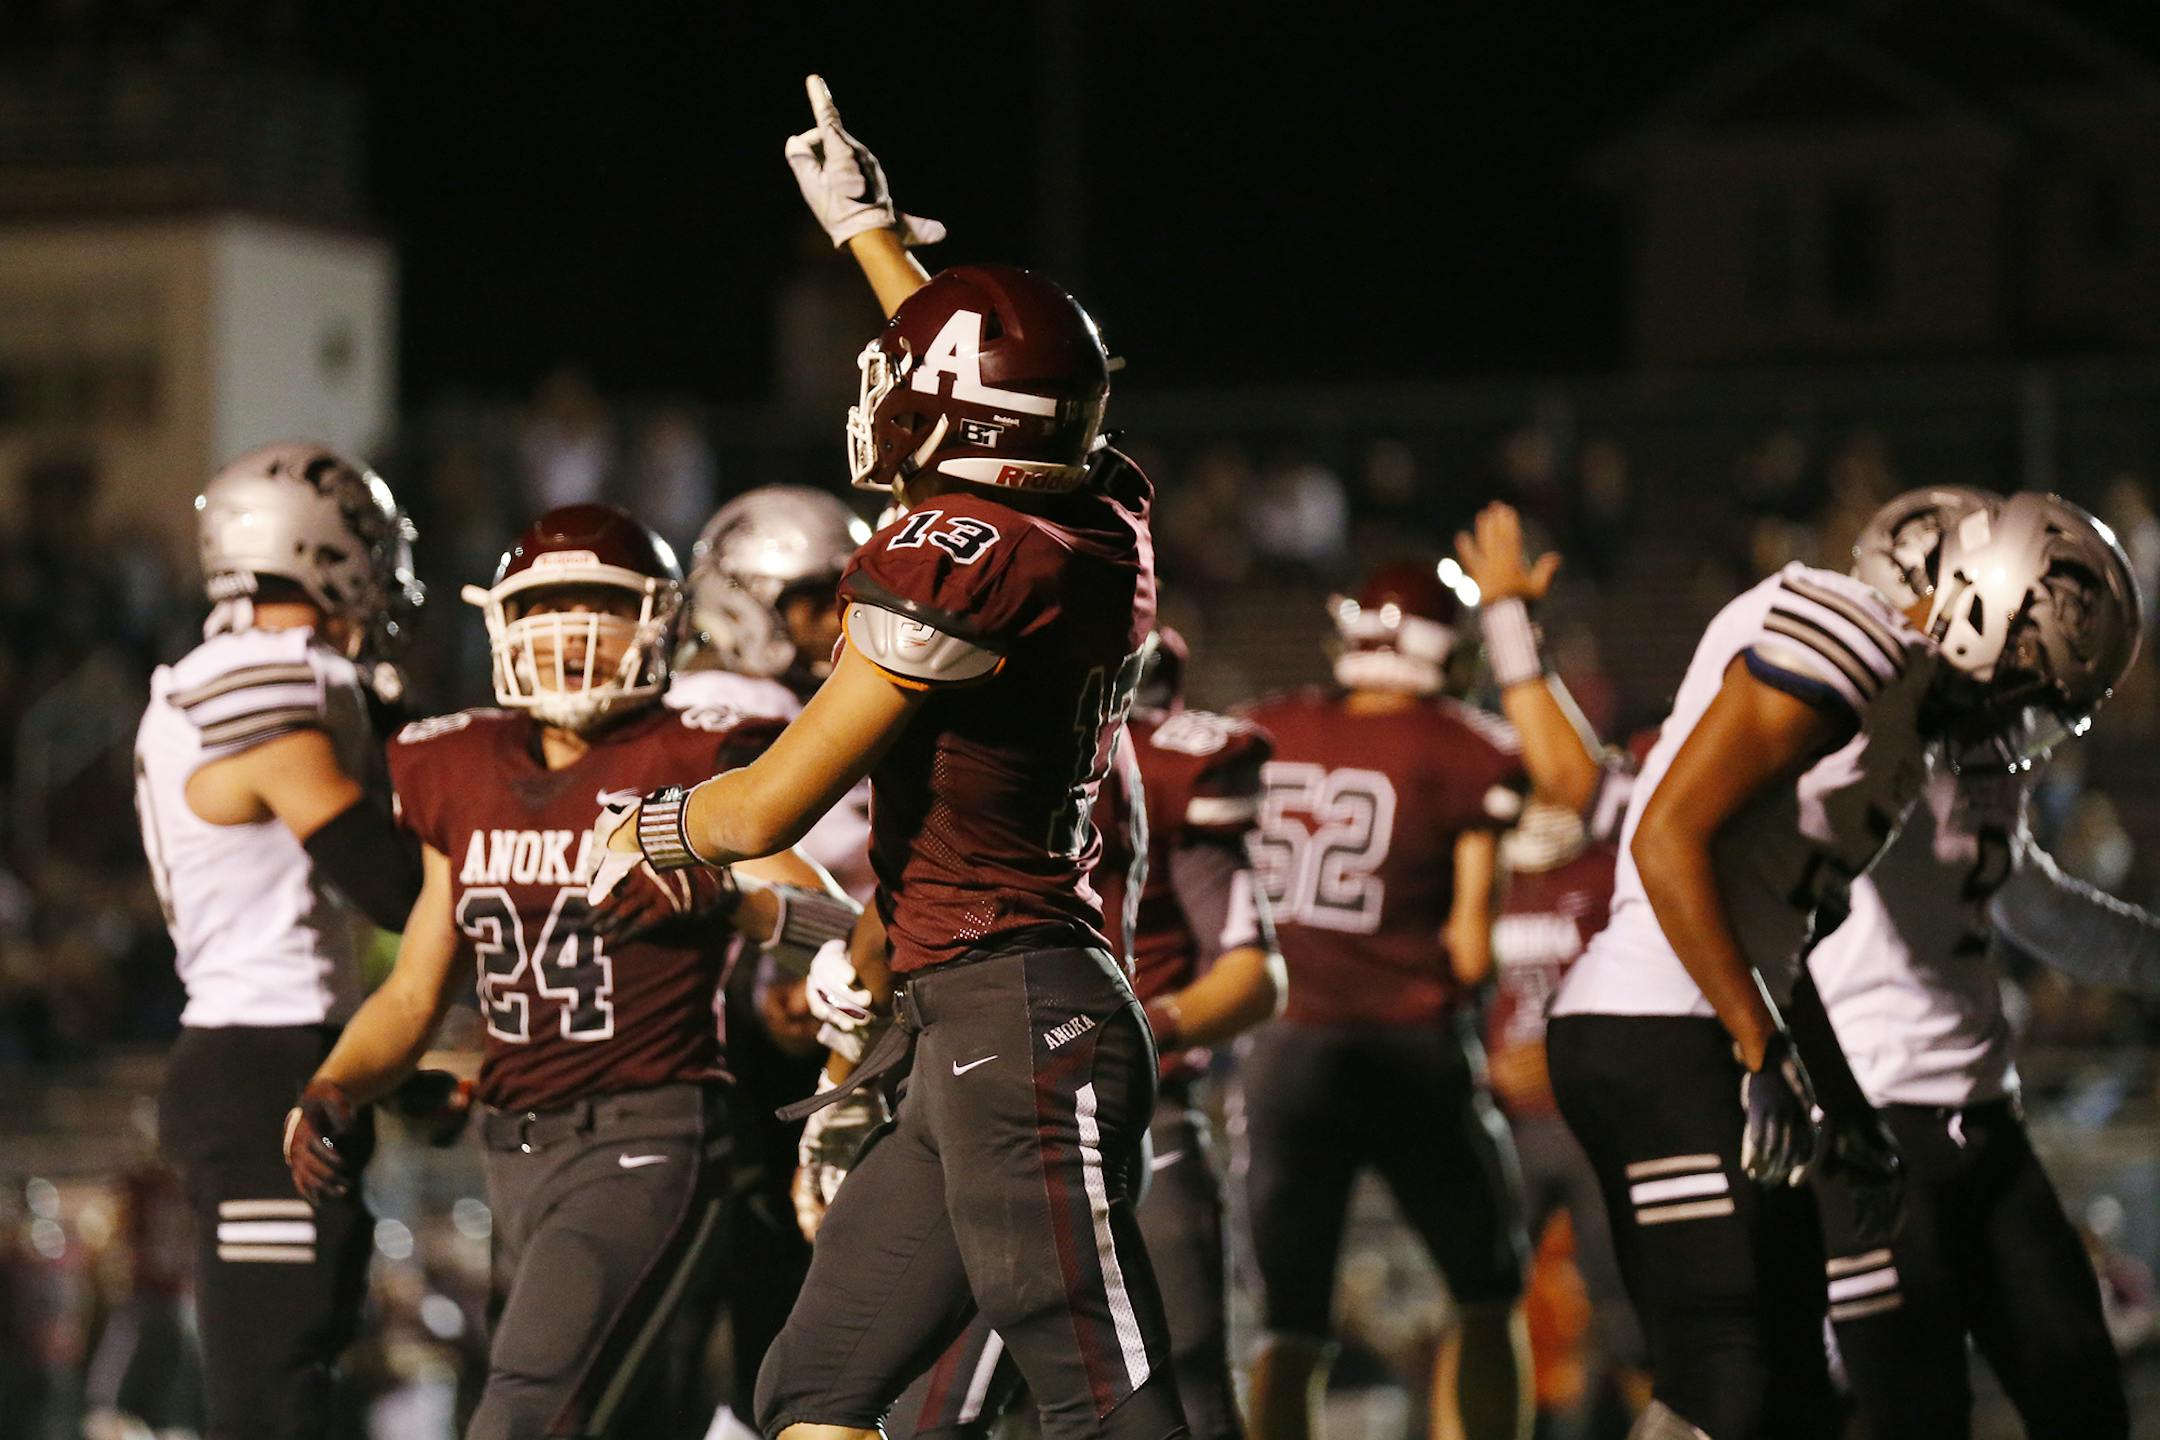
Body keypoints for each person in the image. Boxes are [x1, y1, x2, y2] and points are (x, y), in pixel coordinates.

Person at [588, 74, 1185, 1440]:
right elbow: (1006, 390)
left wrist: (654, 825)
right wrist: (873, 241)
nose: (881, 397)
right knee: (816, 1391)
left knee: (1105, 1394)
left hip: (1017, 1013)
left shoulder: (951, 562)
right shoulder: (1098, 513)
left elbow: (775, 799)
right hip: (970, 1010)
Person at [1543, 490, 2140, 1440]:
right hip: (1666, 1029)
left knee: (1787, 1400)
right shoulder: (1848, 636)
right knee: (1728, 1384)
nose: (2015, 719)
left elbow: (1787, 939)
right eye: (2025, 683)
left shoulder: (1898, 715)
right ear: (1985, 610)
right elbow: (1663, 839)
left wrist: (1842, 1106)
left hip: (1713, 1033)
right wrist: (1758, 1048)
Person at [281, 503, 857, 1440]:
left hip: (652, 1132)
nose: (572, 637)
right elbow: (415, 989)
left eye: (601, 607)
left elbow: (840, 920)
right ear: (505, 622)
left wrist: (730, 901)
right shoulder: (457, 764)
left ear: (660, 622)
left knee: (523, 1416)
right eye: (549, 608)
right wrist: (339, 1081)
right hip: (513, 1148)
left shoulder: (694, 754)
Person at [1236, 510, 1603, 1440]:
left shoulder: (1267, 726)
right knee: (1486, 1294)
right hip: (1407, 1050)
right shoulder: (1458, 746)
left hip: (1285, 1053)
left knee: (1289, 1327)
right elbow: (1474, 948)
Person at [884, 628, 1286, 1440]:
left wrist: (1132, 1024)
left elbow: (1253, 976)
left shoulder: (1160, 770)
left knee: (1166, 1385)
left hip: (1118, 1108)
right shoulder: (971, 759)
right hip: (986, 1100)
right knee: (958, 1395)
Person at [1807, 487, 2145, 1440]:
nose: (2033, 698)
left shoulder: (1984, 741)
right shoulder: (1855, 719)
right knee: (1913, 1417)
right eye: (2027, 667)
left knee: (2084, 1399)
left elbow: (2031, 901)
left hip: (1985, 1121)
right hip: (1874, 1121)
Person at [133, 441, 426, 1440]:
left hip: (282, 1048)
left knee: (307, 1372)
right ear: (323, 550)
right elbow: (389, 884)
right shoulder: (259, 684)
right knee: (272, 1396)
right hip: (261, 1063)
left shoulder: (242, 672)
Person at [674, 484, 877, 1440]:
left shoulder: (700, 698)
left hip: (690, 1038)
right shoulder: (744, 706)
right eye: (811, 603)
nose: (833, 625)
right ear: (745, 600)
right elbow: (804, 882)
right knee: (785, 1301)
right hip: (769, 1029)